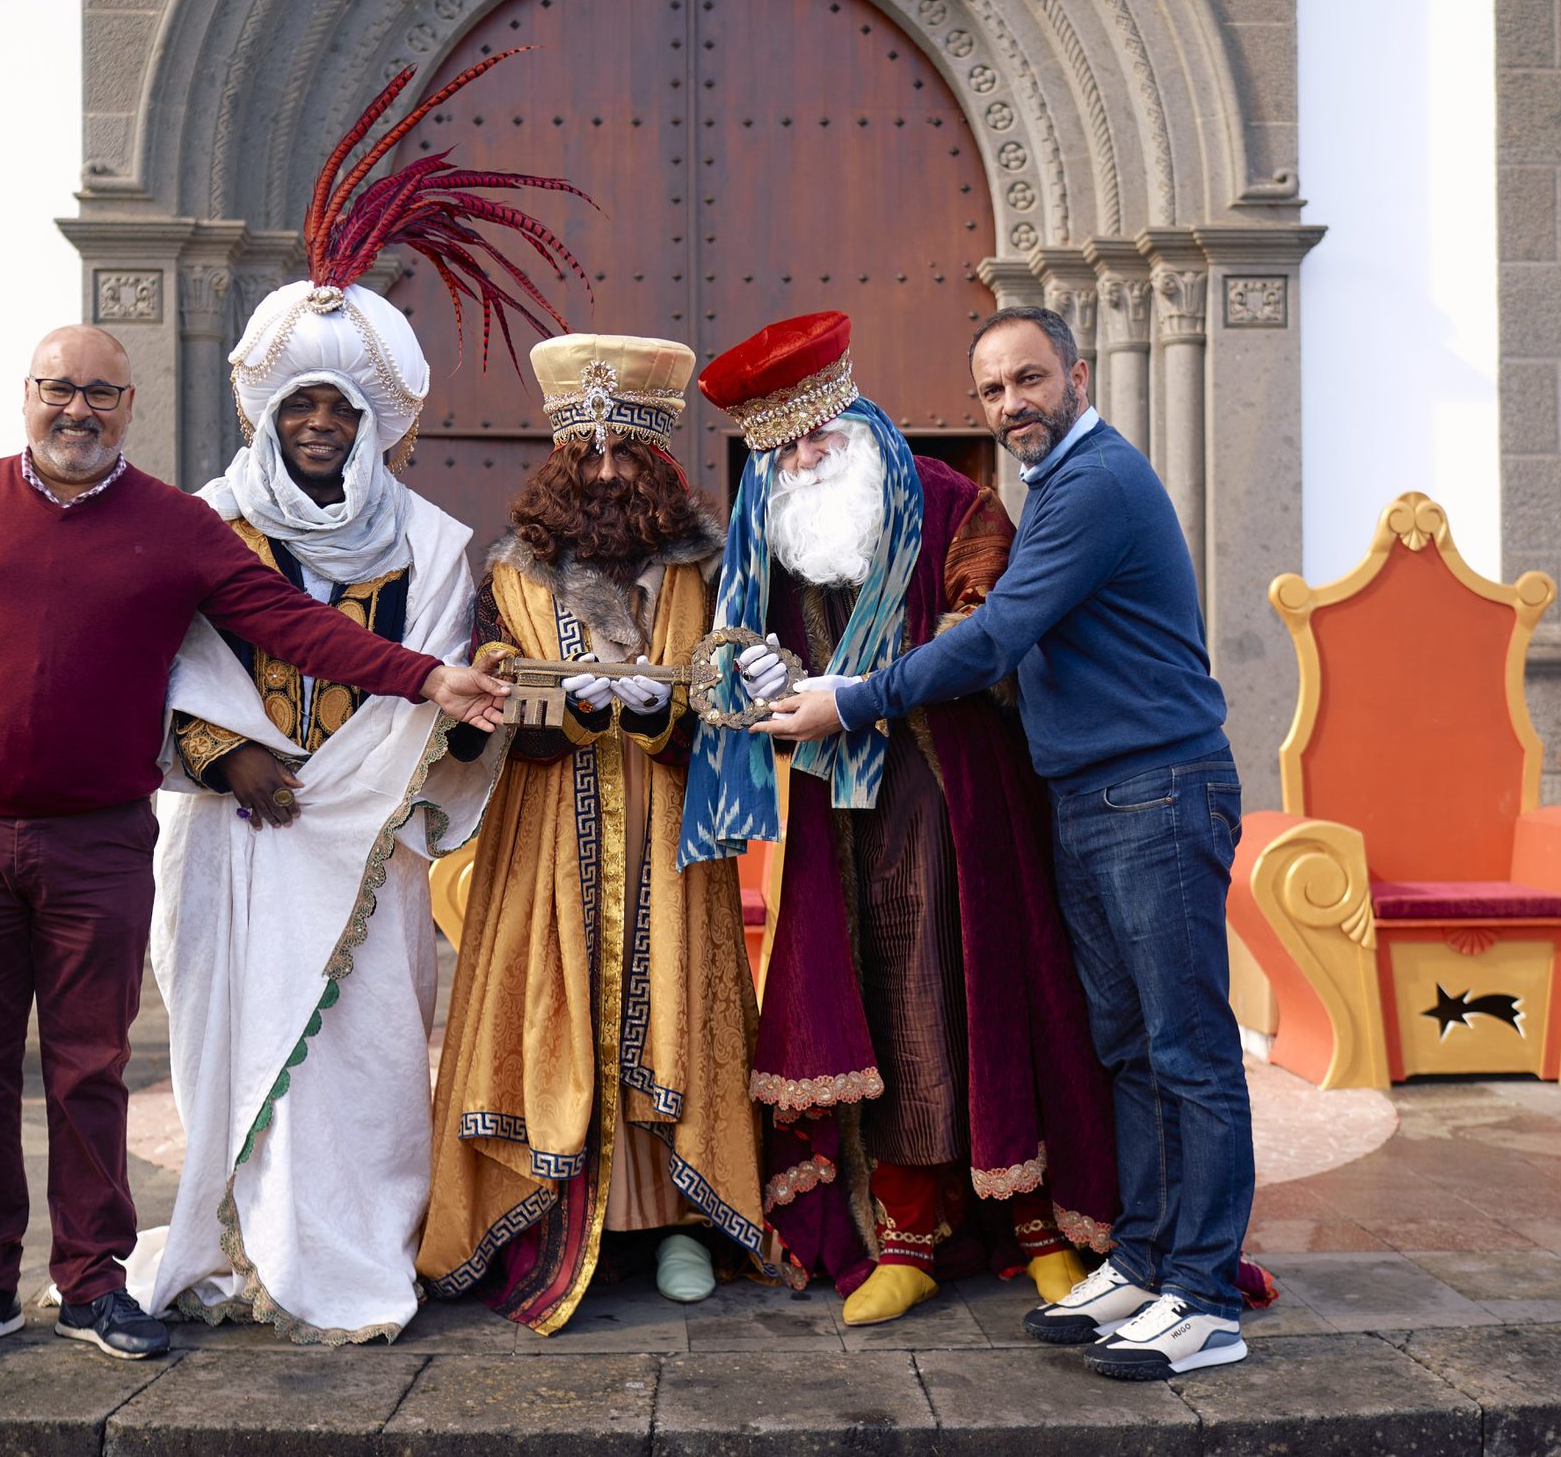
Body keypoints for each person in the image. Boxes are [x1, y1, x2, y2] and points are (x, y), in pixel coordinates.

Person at [0, 323, 509, 1369]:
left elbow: (291, 624)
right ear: (26, 394)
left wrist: (425, 677)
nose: (77, 412)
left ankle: (95, 1281)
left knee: (90, 1068)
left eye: (100, 394)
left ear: (129, 406)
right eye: (59, 390)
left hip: (96, 839)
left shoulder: (176, 525)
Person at [125, 62, 584, 1343]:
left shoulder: (437, 544)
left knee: (373, 1054)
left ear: (379, 423)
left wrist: (366, 782)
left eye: (343, 404)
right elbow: (161, 666)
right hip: (232, 836)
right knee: (230, 1050)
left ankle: (364, 1248)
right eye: (301, 403)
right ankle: (254, 1246)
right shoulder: (200, 525)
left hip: (367, 846)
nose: (322, 421)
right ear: (270, 414)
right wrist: (226, 760)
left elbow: (439, 686)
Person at [758, 305, 1254, 1380]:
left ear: (1077, 372)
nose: (1011, 405)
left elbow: (995, 636)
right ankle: (1151, 1261)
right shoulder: (1053, 485)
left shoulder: (1094, 485)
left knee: (1188, 1053)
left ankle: (1205, 1299)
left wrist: (852, 701)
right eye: (991, 391)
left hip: (1156, 790)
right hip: (1088, 794)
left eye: (1030, 379)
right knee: (1128, 1048)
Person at [683, 311, 1118, 1329]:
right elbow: (728, 663)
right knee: (887, 1014)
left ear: (858, 421)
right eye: (782, 450)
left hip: (969, 807)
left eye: (817, 438)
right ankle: (909, 1240)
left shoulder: (951, 500)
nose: (803, 460)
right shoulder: (768, 537)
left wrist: (870, 685)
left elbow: (993, 631)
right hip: (842, 825)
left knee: (991, 997)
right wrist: (743, 676)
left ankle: (1041, 1231)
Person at [417, 333, 766, 1333]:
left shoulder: (706, 570)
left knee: (669, 1015)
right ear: (562, 461)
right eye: (590, 452)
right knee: (548, 1006)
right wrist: (539, 696)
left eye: (629, 453)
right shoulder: (509, 573)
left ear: (660, 463)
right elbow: (477, 690)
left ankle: (675, 1227)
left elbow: (727, 697)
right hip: (544, 835)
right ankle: (553, 1219)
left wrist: (673, 704)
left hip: (666, 830)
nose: (608, 472)